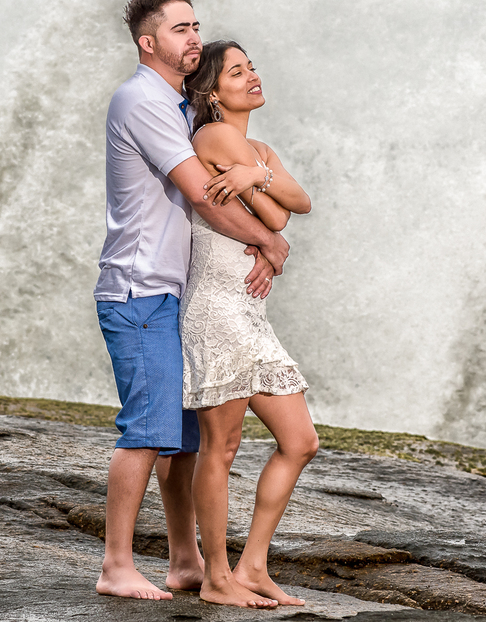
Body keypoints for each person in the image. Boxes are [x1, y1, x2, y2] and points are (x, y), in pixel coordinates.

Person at [93, 0, 290, 602]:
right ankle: (116, 566)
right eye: (179, 29)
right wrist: (270, 243)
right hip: (139, 291)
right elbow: (203, 195)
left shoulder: (180, 107)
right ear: (147, 42)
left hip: (172, 293)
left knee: (183, 440)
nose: (193, 38)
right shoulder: (145, 101)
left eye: (195, 26)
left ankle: (185, 563)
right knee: (147, 432)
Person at [180, 41, 319, 608]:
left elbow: (297, 205)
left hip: (249, 311)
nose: (253, 76)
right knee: (223, 445)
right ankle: (216, 576)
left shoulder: (255, 148)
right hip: (215, 305)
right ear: (213, 92)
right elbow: (276, 213)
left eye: (252, 66)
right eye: (237, 72)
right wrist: (259, 182)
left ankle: (253, 565)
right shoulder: (212, 137)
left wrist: (252, 172)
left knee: (300, 441)